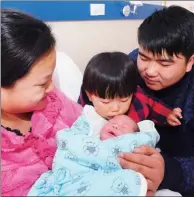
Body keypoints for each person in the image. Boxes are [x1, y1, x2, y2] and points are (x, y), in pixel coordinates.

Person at [1, 9, 82, 196]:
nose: (52, 88)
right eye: (42, 83)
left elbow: (89, 131)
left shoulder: (54, 103)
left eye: (51, 78)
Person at [121, 5, 194, 196]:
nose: (150, 71)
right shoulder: (129, 66)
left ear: (190, 62)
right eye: (144, 57)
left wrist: (170, 171)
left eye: (164, 63)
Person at [27, 105, 160, 196]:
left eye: (123, 127)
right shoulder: (87, 137)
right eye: (113, 122)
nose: (115, 125)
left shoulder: (127, 147)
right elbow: (69, 141)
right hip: (68, 177)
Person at [78, 52, 182, 127]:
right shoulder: (83, 111)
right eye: (106, 102)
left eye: (124, 100)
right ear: (89, 95)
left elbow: (152, 104)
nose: (115, 108)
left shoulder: (138, 99)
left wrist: (167, 114)